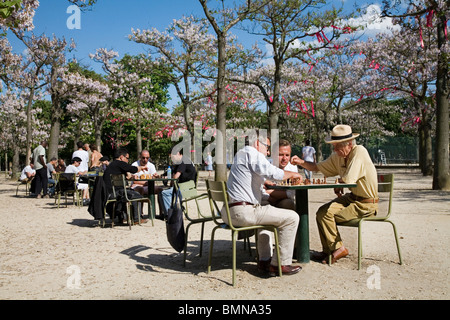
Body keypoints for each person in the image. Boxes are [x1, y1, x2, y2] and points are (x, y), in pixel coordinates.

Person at [291, 124, 379, 264]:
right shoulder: (337, 156)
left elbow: (349, 179)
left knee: (327, 215)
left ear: (349, 144)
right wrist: (301, 162)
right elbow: (317, 167)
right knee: (321, 212)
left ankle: (339, 248)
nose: (335, 149)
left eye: (338, 146)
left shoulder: (359, 151)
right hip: (351, 198)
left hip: (366, 204)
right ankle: (328, 250)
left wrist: (340, 180)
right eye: (334, 146)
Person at [226, 132, 302, 276]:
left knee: (266, 212)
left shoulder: (240, 154)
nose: (268, 151)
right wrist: (293, 174)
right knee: (292, 217)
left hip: (230, 212)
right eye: (266, 147)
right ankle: (281, 263)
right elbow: (273, 173)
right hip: (244, 212)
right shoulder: (252, 153)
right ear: (256, 144)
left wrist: (264, 182)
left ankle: (264, 260)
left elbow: (255, 179)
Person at [103, 148, 149, 225]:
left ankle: (123, 217)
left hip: (109, 194)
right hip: (116, 194)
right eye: (127, 158)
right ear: (121, 157)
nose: (127, 161)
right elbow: (132, 169)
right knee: (135, 194)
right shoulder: (119, 163)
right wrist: (141, 167)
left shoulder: (112, 165)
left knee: (128, 192)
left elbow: (126, 176)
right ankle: (136, 218)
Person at [158, 149, 196, 217]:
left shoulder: (184, 161)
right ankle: (165, 214)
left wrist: (167, 178)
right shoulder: (179, 162)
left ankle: (171, 215)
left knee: (164, 193)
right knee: (160, 192)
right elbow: (170, 174)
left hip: (186, 188)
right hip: (182, 187)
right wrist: (160, 176)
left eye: (172, 157)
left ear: (178, 153)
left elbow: (175, 177)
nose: (171, 159)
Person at [262, 139, 298, 210]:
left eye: (287, 155)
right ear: (273, 154)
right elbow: (259, 192)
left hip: (281, 201)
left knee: (289, 203)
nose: (284, 158)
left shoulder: (293, 168)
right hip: (266, 200)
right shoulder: (264, 165)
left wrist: (268, 191)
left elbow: (291, 194)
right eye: (280, 155)